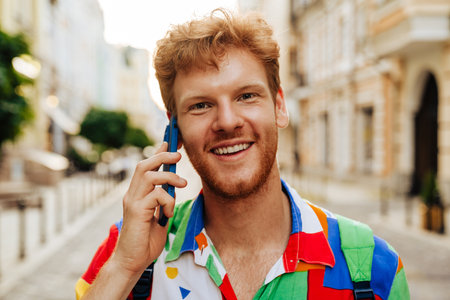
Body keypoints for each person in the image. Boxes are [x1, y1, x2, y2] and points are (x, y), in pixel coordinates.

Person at [76, 9, 409, 300]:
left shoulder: (370, 267)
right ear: (173, 129)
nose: (227, 121)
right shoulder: (127, 251)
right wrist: (125, 267)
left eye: (247, 96)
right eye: (201, 105)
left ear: (279, 106)